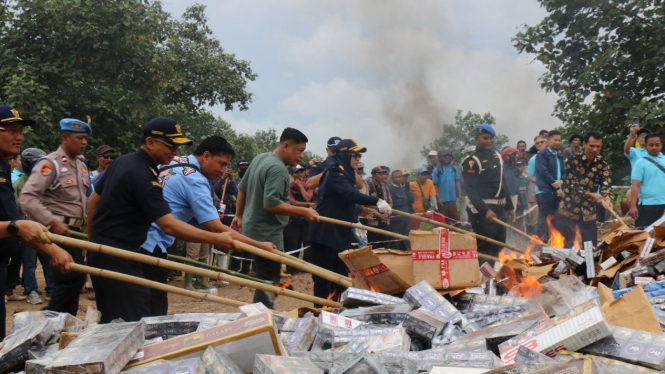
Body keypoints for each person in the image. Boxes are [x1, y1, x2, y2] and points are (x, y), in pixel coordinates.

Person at [86, 117, 241, 323]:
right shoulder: (143, 175)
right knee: (138, 323)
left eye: (177, 146)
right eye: (171, 145)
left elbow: (92, 201)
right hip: (123, 255)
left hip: (105, 250)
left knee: (112, 322)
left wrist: (92, 243)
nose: (175, 152)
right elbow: (168, 225)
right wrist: (218, 239)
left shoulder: (124, 161)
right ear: (150, 142)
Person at [139, 136, 275, 314]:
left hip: (135, 238)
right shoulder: (195, 180)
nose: (222, 170)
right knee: (153, 312)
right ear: (206, 156)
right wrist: (259, 245)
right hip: (150, 245)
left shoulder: (178, 160)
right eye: (221, 164)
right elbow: (215, 228)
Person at [0, 106, 73, 338]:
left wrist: (51, 249)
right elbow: (16, 225)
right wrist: (17, 227)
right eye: (11, 130)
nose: (19, 137)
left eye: (20, 131)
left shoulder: (3, 167)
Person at [231, 128, 320, 309]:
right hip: (267, 234)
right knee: (268, 282)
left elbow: (243, 188)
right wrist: (304, 212)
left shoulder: (260, 158)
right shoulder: (278, 169)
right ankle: (263, 319)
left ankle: (262, 315)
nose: (301, 156)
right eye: (299, 150)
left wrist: (239, 216)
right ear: (286, 146)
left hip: (253, 229)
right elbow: (271, 204)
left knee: (265, 280)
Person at [20, 118, 93, 316]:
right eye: (79, 138)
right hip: (57, 230)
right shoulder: (49, 164)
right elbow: (27, 198)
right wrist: (51, 222)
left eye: (86, 138)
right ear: (64, 138)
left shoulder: (81, 165)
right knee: (72, 277)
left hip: (76, 231)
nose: (84, 142)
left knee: (74, 280)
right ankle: (54, 321)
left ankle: (60, 321)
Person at [308, 139, 389, 304]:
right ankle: (321, 314)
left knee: (341, 278)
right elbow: (350, 194)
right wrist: (378, 201)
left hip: (340, 233)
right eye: (355, 154)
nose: (358, 158)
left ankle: (339, 313)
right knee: (324, 279)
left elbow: (351, 196)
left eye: (359, 155)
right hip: (325, 233)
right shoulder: (333, 172)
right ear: (344, 154)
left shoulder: (346, 172)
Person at [462, 124, 514, 260]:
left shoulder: (497, 156)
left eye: (491, 138)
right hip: (482, 211)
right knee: (486, 249)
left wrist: (509, 206)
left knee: (499, 246)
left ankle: (494, 279)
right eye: (485, 138)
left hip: (499, 208)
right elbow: (470, 190)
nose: (489, 141)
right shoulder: (472, 161)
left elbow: (503, 183)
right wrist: (485, 211)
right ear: (476, 138)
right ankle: (484, 280)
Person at [13, 148, 55, 304]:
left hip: (45, 230)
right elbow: (15, 210)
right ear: (25, 164)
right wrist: (17, 231)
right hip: (27, 231)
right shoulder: (18, 184)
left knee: (48, 261)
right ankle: (31, 291)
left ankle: (51, 290)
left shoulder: (47, 182)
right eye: (32, 163)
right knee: (29, 264)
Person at [557, 131, 612, 247]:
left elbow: (606, 185)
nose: (595, 149)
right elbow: (572, 185)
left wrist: (607, 199)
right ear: (584, 144)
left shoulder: (603, 165)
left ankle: (589, 265)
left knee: (591, 246)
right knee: (566, 246)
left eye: (598, 146)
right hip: (569, 208)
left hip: (589, 210)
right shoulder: (571, 161)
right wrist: (591, 194)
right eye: (592, 146)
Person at [214, 159, 248, 274]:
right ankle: (211, 271)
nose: (224, 170)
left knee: (225, 245)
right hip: (216, 216)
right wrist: (222, 178)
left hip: (228, 216)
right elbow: (214, 190)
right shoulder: (215, 178)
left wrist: (232, 180)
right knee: (214, 245)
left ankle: (222, 272)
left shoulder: (230, 181)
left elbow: (236, 193)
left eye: (226, 168)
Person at [535, 130, 566, 243]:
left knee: (555, 217)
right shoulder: (542, 154)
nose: (558, 142)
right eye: (555, 140)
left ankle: (553, 240)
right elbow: (543, 172)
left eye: (559, 140)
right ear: (548, 140)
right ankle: (541, 241)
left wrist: (562, 181)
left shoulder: (559, 155)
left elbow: (564, 171)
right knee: (544, 216)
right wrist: (556, 185)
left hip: (557, 191)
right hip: (546, 191)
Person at [629, 133, 665, 227]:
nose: (654, 147)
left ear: (661, 145)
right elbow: (636, 185)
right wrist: (633, 206)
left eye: (657, 145)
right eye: (651, 145)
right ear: (645, 145)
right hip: (648, 205)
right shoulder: (640, 163)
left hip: (663, 204)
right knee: (646, 236)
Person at [284, 164, 314, 274]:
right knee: (292, 245)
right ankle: (292, 268)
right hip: (292, 220)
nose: (300, 174)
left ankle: (306, 268)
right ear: (293, 174)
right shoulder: (289, 186)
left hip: (306, 220)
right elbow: (292, 202)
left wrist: (301, 187)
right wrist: (308, 204)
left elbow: (308, 197)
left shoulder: (307, 186)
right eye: (297, 172)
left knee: (307, 245)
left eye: (301, 172)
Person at [432, 148, 461, 223]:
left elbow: (457, 181)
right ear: (440, 157)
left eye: (448, 156)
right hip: (442, 201)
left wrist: (460, 195)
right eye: (444, 156)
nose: (446, 158)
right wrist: (438, 198)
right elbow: (435, 185)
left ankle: (455, 234)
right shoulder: (436, 170)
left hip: (452, 199)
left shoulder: (454, 168)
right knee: (442, 221)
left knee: (455, 220)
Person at [526, 136, 547, 235]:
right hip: (541, 192)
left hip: (555, 191)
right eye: (537, 143)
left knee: (555, 216)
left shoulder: (555, 157)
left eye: (542, 142)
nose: (540, 144)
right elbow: (529, 176)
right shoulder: (533, 159)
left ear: (546, 143)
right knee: (542, 216)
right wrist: (539, 182)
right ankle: (541, 239)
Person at [365, 167, 393, 244]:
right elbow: (366, 203)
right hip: (373, 221)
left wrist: (387, 213)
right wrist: (378, 215)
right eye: (379, 174)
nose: (382, 176)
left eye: (382, 174)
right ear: (374, 175)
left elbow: (390, 202)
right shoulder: (369, 186)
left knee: (384, 243)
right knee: (373, 244)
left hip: (385, 221)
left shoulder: (385, 187)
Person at [387, 169, 411, 250]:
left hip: (406, 219)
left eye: (400, 177)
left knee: (407, 241)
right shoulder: (390, 189)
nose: (398, 179)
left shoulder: (403, 188)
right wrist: (404, 200)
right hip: (396, 220)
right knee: (396, 242)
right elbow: (393, 203)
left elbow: (409, 201)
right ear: (392, 178)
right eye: (396, 177)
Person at [501, 147, 520, 217]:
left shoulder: (516, 168)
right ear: (506, 156)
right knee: (504, 214)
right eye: (512, 155)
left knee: (512, 215)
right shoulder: (501, 167)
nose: (514, 156)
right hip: (504, 195)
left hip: (514, 194)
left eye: (515, 155)